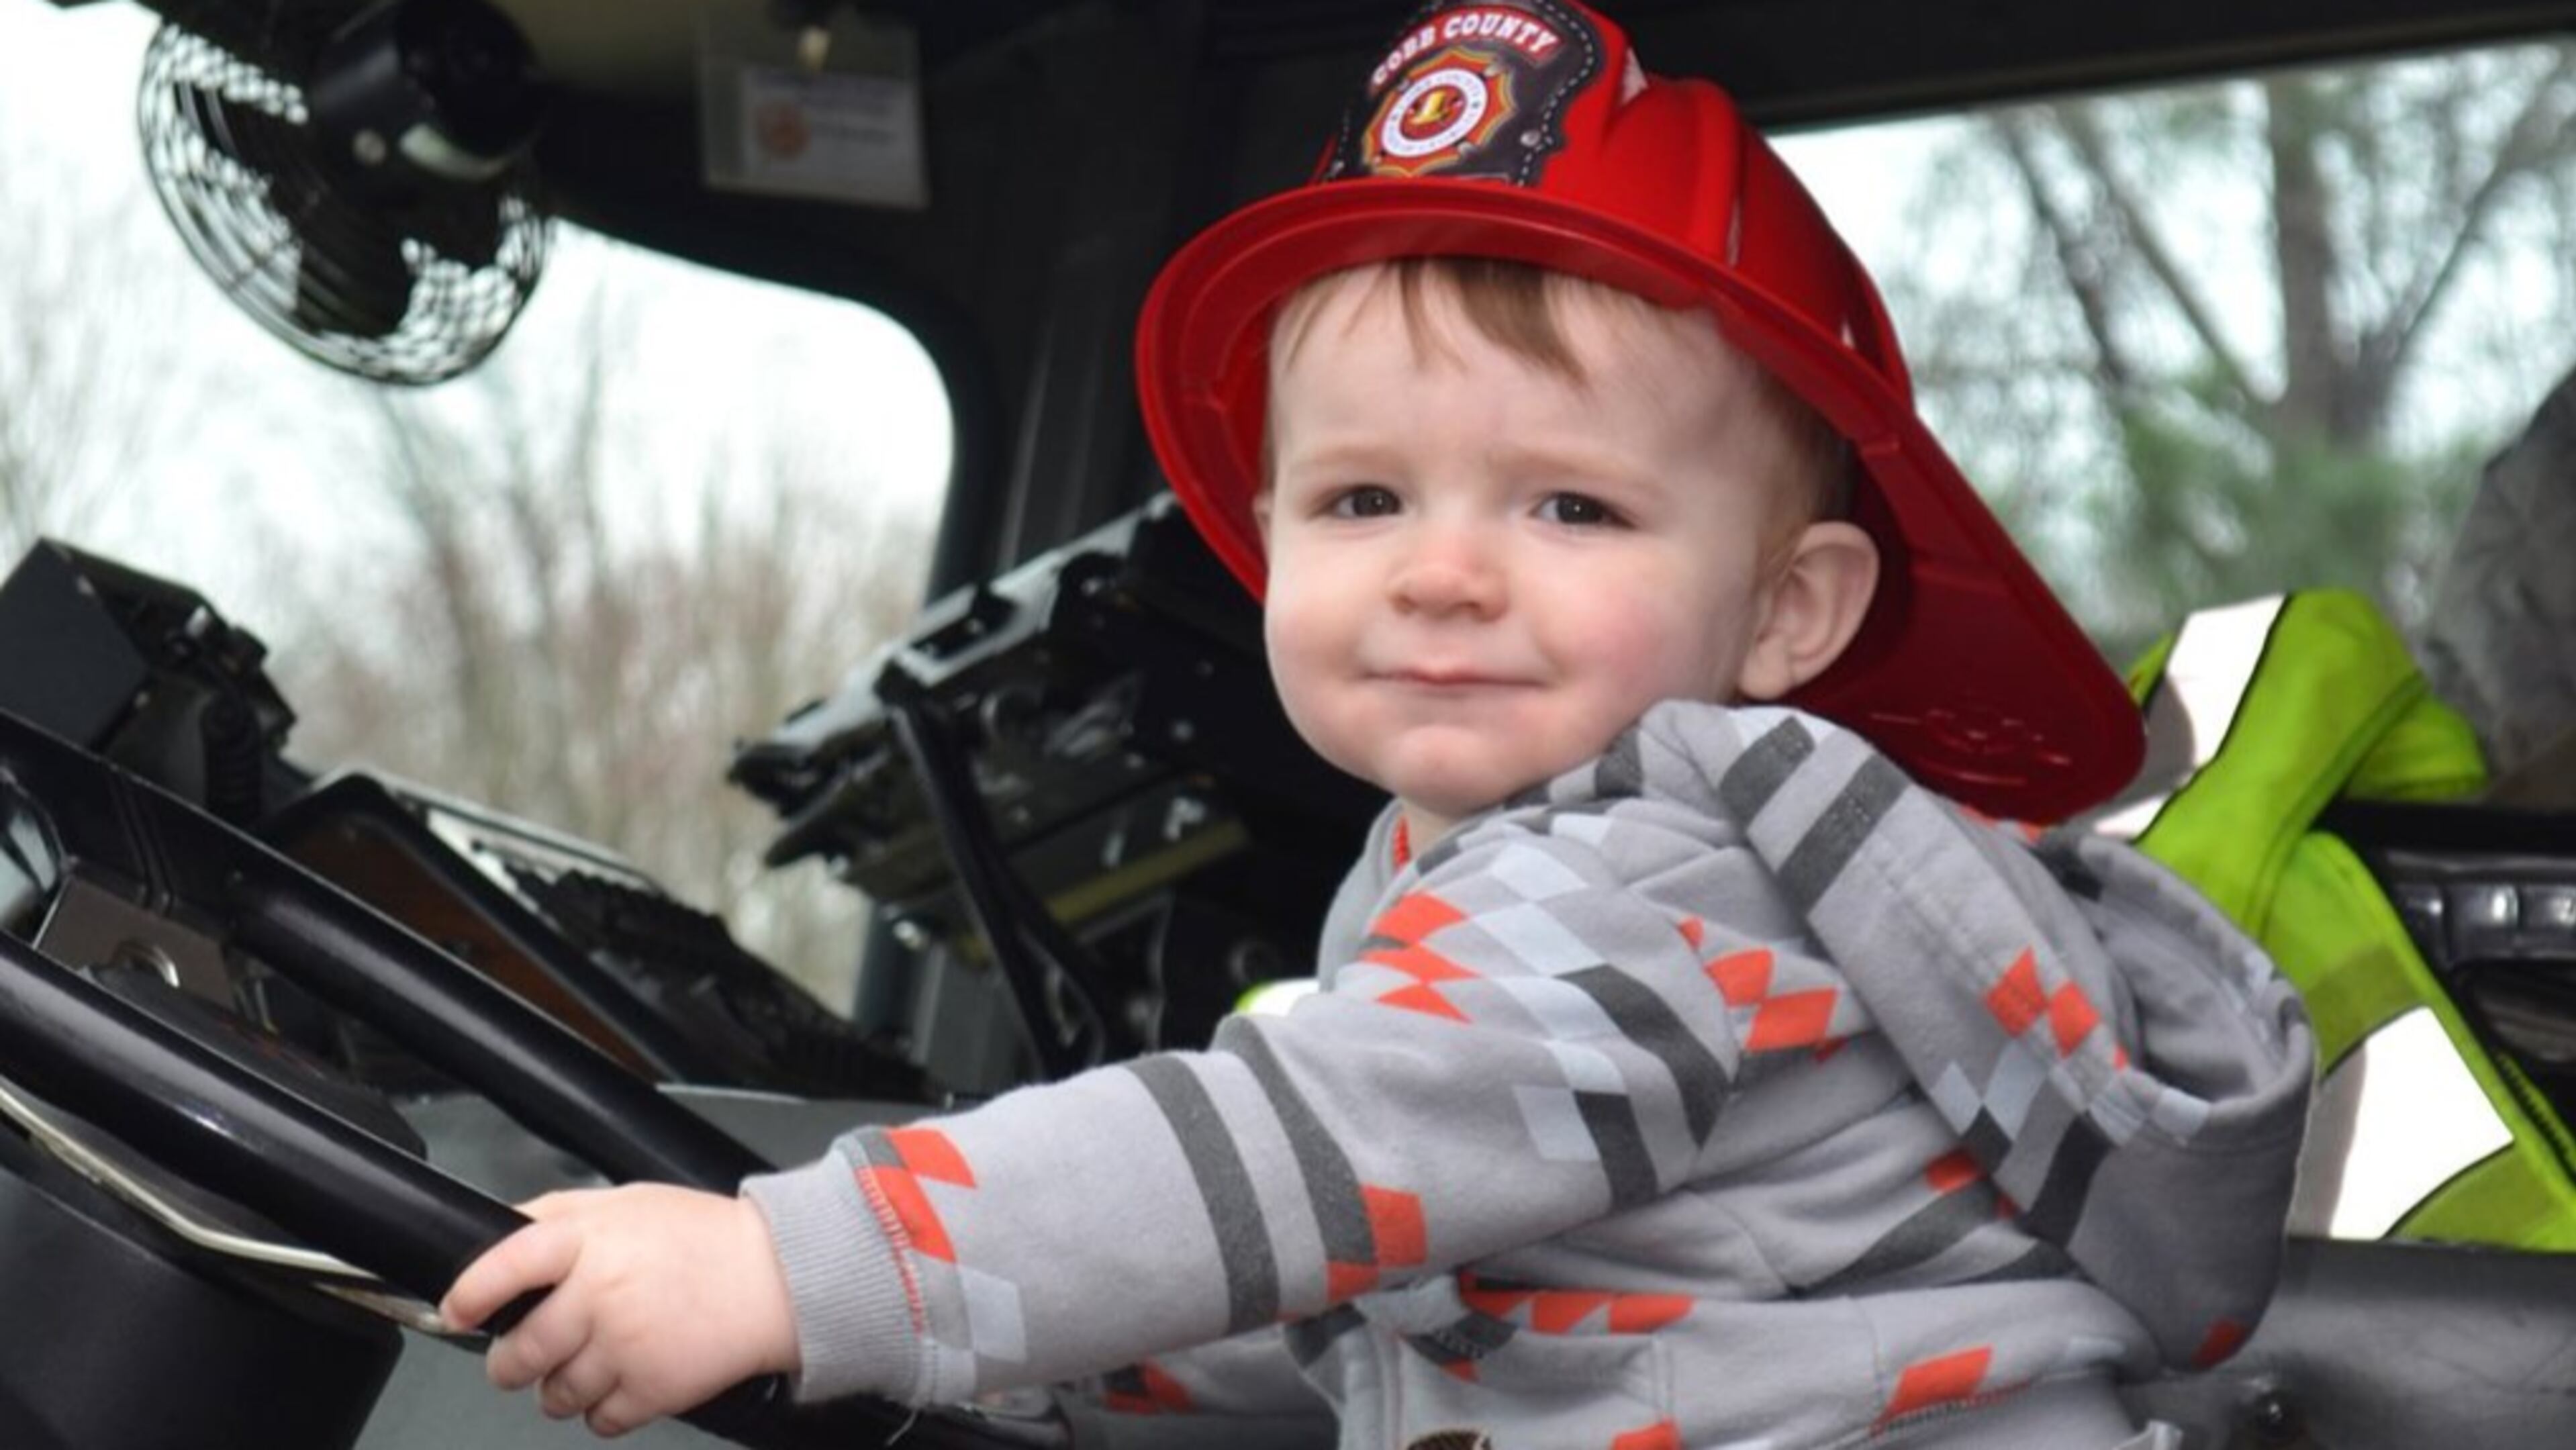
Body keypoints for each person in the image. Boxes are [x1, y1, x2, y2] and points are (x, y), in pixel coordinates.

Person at [442, 3, 2313, 1446]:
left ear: (1787, 612)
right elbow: (1393, 1253)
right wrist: (1076, 1360)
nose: (1443, 574)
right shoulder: (1469, 874)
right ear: (1261, 545)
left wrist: (798, 1264)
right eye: (1361, 504)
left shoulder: (1661, 887)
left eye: (1568, 507)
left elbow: (1292, 1151)